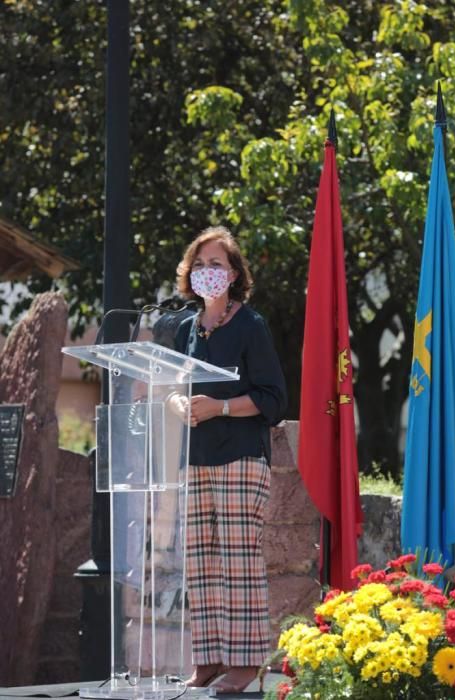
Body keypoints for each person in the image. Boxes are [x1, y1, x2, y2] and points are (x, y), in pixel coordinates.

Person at [171, 226, 287, 693]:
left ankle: (245, 663)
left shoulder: (250, 325)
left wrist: (219, 407)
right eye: (199, 264)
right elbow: (174, 389)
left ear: (234, 274)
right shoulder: (185, 329)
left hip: (240, 457)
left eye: (215, 264)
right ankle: (209, 659)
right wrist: (179, 405)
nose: (206, 272)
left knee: (238, 561)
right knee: (199, 562)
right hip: (195, 459)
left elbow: (273, 398)